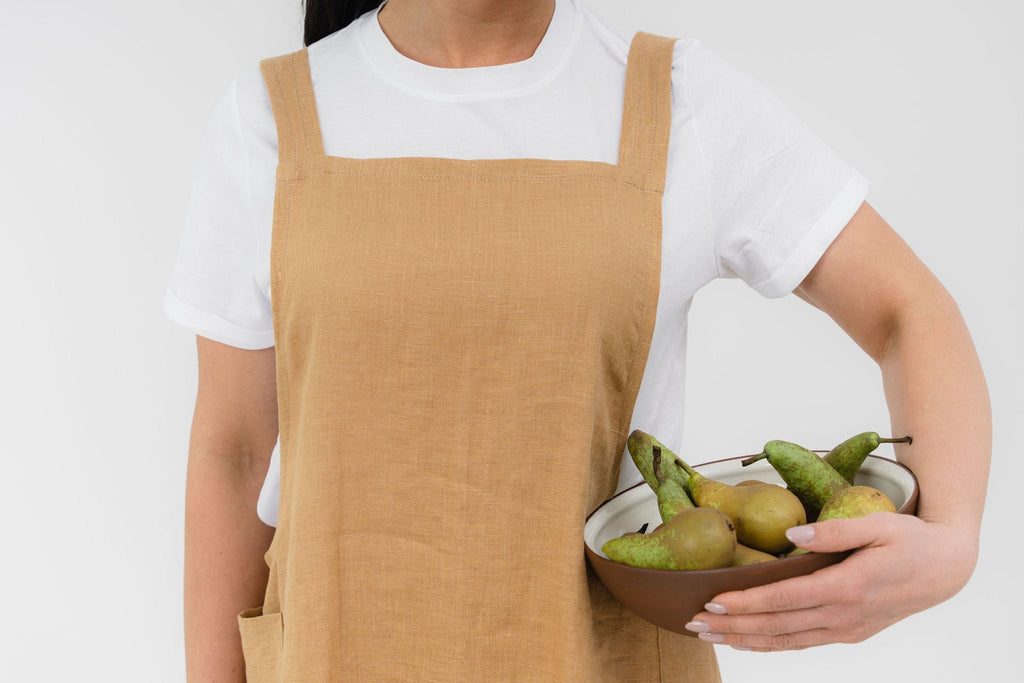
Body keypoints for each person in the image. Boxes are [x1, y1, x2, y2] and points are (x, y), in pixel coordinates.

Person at [164, 0, 991, 680]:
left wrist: (950, 541)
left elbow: (908, 310)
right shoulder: (271, 118)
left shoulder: (680, 101)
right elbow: (234, 451)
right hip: (333, 655)